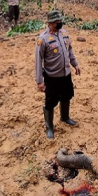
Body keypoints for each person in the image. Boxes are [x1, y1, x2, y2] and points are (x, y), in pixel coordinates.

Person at [34, 10, 81, 139]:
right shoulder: (42, 39)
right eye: (56, 22)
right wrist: (39, 81)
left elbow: (70, 51)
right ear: (49, 23)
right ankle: (49, 127)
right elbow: (38, 61)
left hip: (66, 74)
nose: (59, 23)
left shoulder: (64, 34)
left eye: (60, 21)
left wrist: (75, 64)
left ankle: (65, 117)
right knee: (50, 102)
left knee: (67, 96)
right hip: (52, 77)